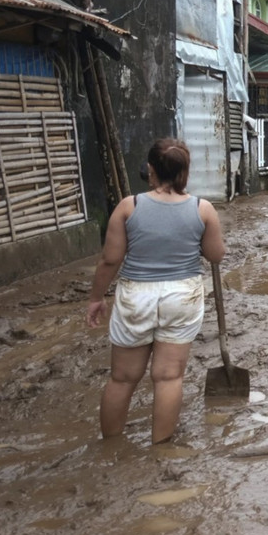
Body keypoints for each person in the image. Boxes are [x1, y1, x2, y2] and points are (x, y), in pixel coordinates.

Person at [86, 138, 225, 444]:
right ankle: (160, 449)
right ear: (185, 170)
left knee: (122, 378)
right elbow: (215, 256)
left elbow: (110, 259)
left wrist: (96, 298)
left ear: (150, 169)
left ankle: (111, 448)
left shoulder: (128, 206)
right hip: (182, 296)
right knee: (169, 377)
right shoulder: (203, 209)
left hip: (136, 295)